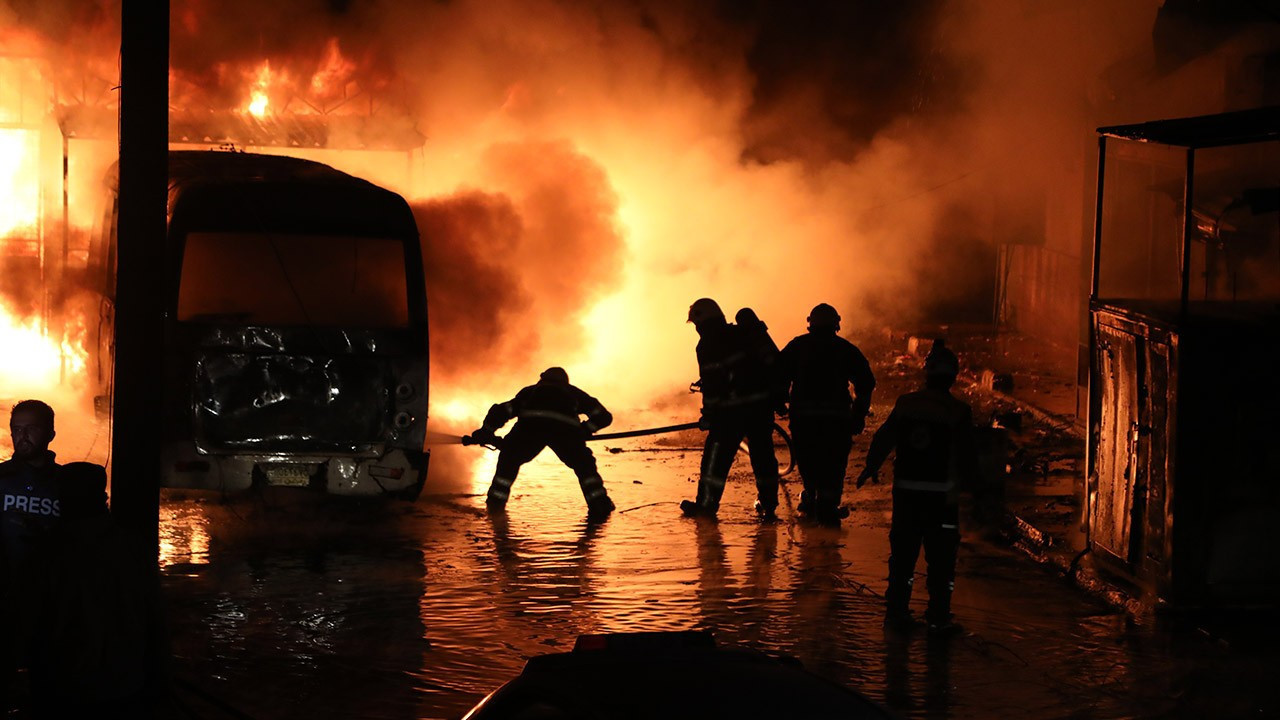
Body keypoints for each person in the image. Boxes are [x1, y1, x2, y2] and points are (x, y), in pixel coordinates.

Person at [25, 462, 168, 718]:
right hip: (125, 685)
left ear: (64, 497)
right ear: (102, 497)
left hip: (66, 689)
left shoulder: (50, 552)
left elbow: (32, 624)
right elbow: (155, 619)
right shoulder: (134, 549)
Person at [857, 340, 981, 633]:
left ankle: (897, 613)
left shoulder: (906, 403)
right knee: (941, 561)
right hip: (941, 500)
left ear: (926, 375)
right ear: (952, 376)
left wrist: (870, 467)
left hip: (906, 495)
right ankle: (938, 617)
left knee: (902, 557)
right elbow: (968, 455)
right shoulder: (958, 411)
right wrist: (976, 492)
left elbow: (884, 438)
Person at [471, 367, 616, 519]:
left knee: (509, 460)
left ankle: (495, 507)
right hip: (565, 432)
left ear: (542, 379)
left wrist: (486, 432)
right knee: (584, 466)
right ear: (565, 382)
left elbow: (501, 412)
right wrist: (585, 430)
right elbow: (604, 417)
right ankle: (599, 506)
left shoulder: (530, 392)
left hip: (529, 430)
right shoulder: (574, 393)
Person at [681, 298, 780, 519]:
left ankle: (706, 506)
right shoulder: (743, 334)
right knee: (763, 457)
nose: (696, 329)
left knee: (715, 460)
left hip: (730, 414)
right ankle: (769, 505)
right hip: (760, 409)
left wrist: (708, 414)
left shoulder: (708, 344)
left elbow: (714, 384)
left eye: (696, 324)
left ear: (702, 322)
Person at [777, 303, 875, 525]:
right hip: (836, 422)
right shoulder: (845, 349)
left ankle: (812, 496)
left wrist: (780, 401)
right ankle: (827, 508)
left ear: (810, 323)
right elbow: (866, 382)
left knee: (808, 461)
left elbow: (778, 373)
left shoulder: (798, 347)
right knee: (833, 464)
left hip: (804, 421)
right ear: (836, 324)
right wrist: (858, 414)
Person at [0, 400, 63, 582]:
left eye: (32, 428)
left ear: (50, 434)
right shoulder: (2, 477)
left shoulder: (66, 483)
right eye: (17, 429)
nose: (23, 436)